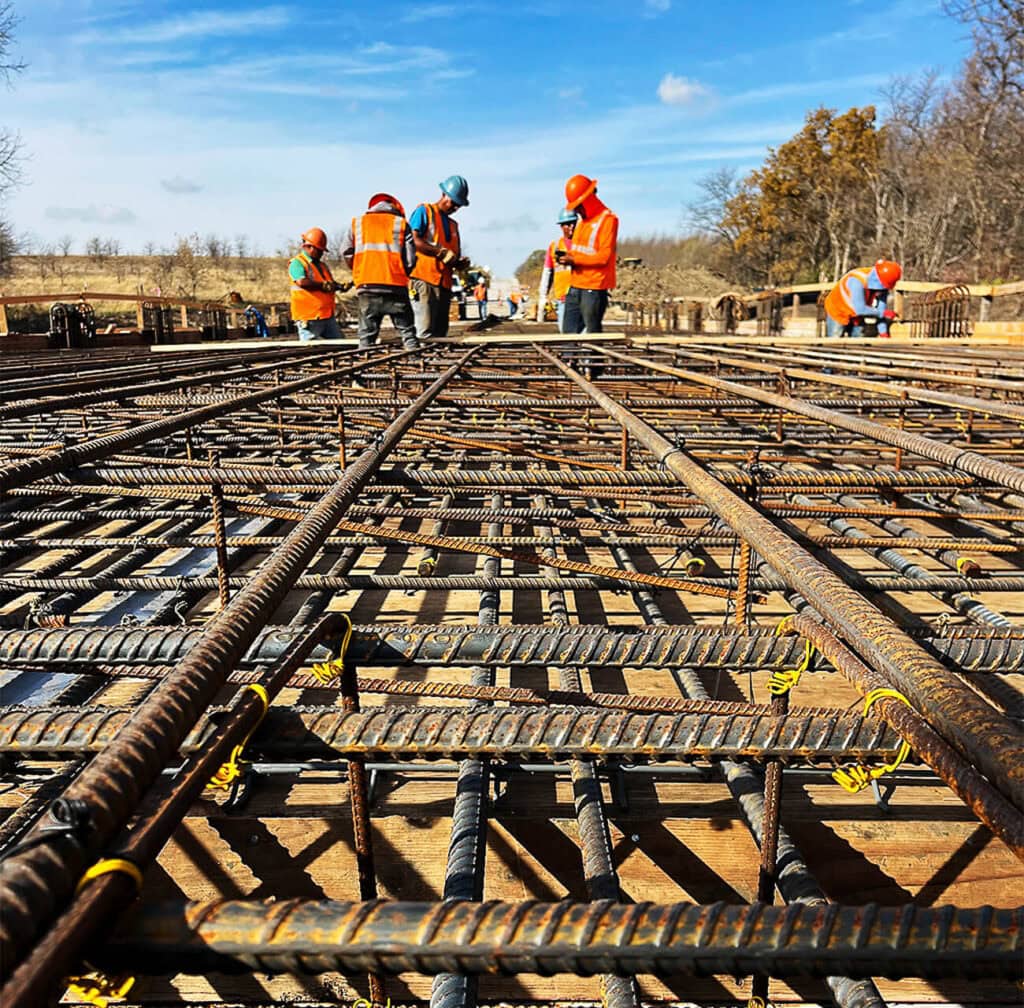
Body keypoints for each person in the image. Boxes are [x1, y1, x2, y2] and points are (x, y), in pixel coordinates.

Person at [342, 193, 419, 351]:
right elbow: (410, 260)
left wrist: (361, 268)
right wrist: (400, 272)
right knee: (408, 335)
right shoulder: (401, 224)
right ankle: (418, 366)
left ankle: (362, 369)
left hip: (367, 287)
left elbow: (345, 252)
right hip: (395, 287)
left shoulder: (358, 223)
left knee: (366, 337)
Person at [409, 175, 470, 341]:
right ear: (444, 195)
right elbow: (414, 240)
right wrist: (439, 252)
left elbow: (453, 256)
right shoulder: (425, 211)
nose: (455, 207)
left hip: (444, 283)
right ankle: (420, 363)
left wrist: (459, 263)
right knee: (424, 333)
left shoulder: (453, 225)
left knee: (440, 334)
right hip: (424, 279)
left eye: (458, 205)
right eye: (453, 202)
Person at [558, 174, 618, 334]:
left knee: (592, 335)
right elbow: (579, 251)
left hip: (593, 288)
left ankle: (594, 360)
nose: (576, 210)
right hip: (575, 285)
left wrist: (574, 259)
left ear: (588, 198)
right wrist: (567, 257)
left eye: (578, 205)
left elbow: (604, 257)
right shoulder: (582, 223)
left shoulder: (608, 220)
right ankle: (569, 359)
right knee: (568, 335)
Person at [288, 227, 344, 341]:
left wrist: (339, 286)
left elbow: (328, 283)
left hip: (326, 315)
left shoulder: (322, 266)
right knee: (311, 349)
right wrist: (323, 286)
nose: (322, 253)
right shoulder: (297, 263)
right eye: (319, 250)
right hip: (309, 317)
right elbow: (302, 282)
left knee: (341, 345)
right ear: (309, 247)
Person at [824, 259, 902, 338]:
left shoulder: (884, 284)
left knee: (860, 339)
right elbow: (860, 309)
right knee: (835, 342)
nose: (881, 292)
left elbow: (880, 312)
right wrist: (883, 313)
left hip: (856, 316)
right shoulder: (857, 281)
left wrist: (883, 333)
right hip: (838, 310)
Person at [536, 208, 577, 330]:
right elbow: (547, 272)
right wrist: (543, 296)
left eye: (573, 223)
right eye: (567, 224)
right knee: (566, 335)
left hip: (583, 297)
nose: (571, 227)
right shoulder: (555, 247)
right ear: (561, 226)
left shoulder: (582, 244)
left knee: (584, 336)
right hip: (563, 297)